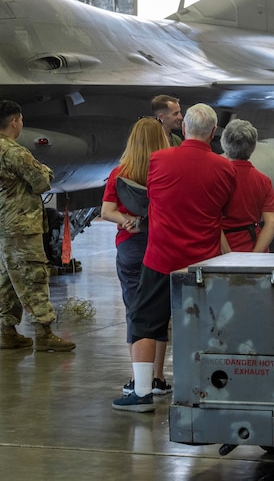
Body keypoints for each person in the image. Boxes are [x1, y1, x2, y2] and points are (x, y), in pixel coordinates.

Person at [112, 103, 235, 412]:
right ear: (212, 132)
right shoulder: (225, 168)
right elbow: (225, 212)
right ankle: (203, 390)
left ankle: (141, 393)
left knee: (144, 323)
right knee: (202, 327)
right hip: (201, 263)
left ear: (184, 128)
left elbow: (146, 196)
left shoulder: (158, 160)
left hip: (160, 258)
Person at [0, 100, 74, 352]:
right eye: (21, 120)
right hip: (20, 227)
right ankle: (44, 333)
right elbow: (42, 180)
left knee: (8, 279)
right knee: (33, 276)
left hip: (2, 225)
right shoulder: (14, 152)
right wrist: (46, 171)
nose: (22, 124)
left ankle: (8, 331)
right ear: (15, 122)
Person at [100, 118, 170, 397]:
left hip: (130, 248)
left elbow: (106, 211)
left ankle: (136, 378)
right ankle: (158, 377)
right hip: (160, 246)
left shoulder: (120, 173)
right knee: (159, 312)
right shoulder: (164, 171)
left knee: (135, 312)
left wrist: (127, 219)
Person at [219, 119, 274, 253]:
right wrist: (254, 255)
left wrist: (228, 254)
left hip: (223, 250)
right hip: (253, 246)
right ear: (252, 147)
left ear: (224, 144)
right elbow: (272, 222)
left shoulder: (218, 178)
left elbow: (212, 221)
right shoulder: (263, 180)